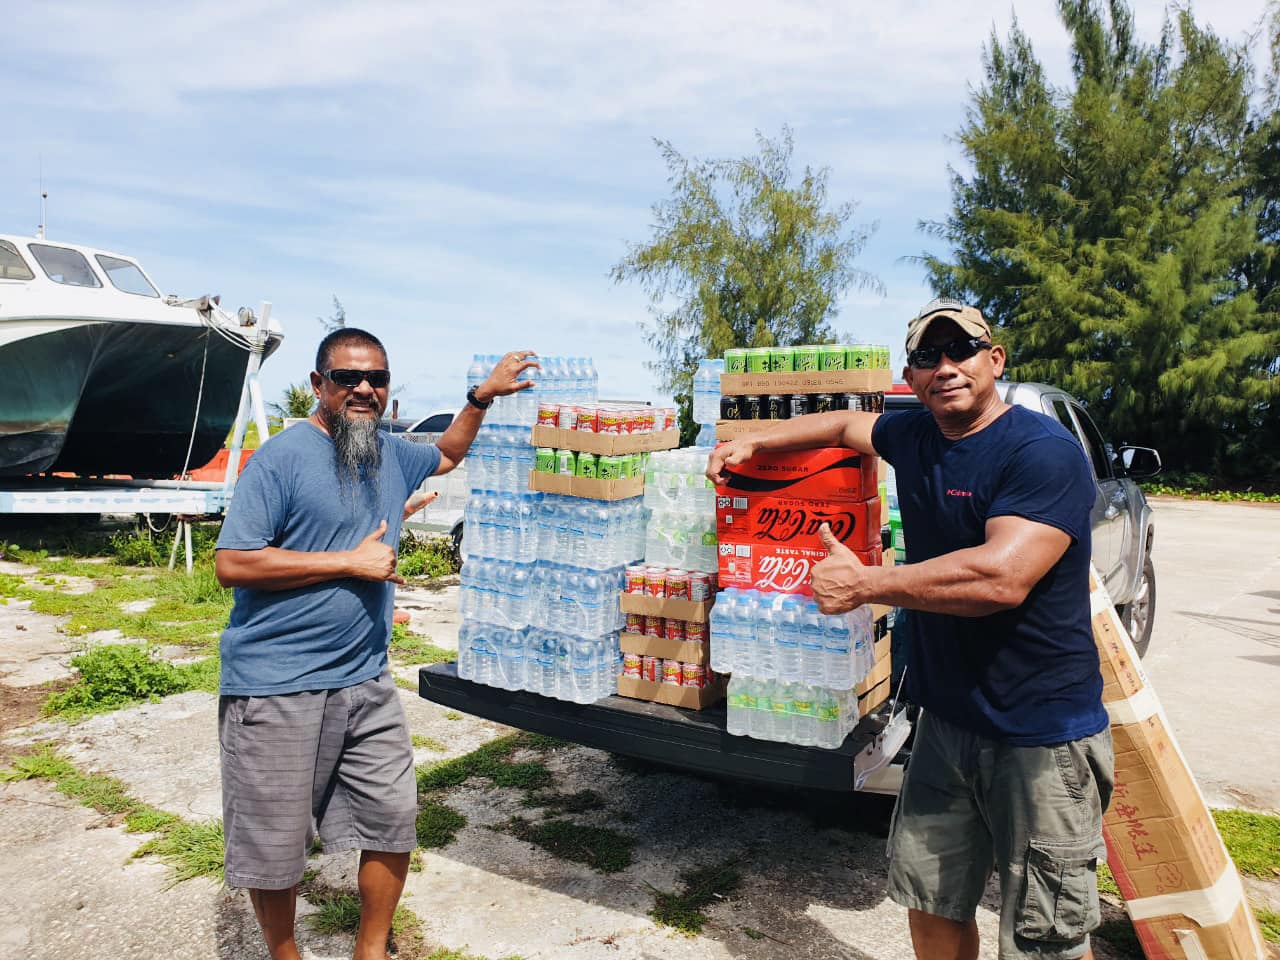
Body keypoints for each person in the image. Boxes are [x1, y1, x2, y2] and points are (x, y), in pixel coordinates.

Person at [707, 298, 1113, 960]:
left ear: (995, 359)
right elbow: (844, 424)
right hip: (947, 725)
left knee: (1045, 937)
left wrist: (866, 584)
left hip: (1040, 738)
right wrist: (752, 440)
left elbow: (999, 579)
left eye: (962, 350)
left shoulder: (1043, 454)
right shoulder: (917, 437)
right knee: (930, 904)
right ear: (912, 374)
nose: (946, 366)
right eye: (929, 355)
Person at [214, 330, 536, 960]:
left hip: (365, 679)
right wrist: (349, 562)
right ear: (319, 386)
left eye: (377, 380)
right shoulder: (281, 457)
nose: (364, 389)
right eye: (347, 378)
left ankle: (371, 951)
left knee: (392, 819)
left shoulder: (389, 453)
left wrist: (480, 398)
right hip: (277, 682)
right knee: (275, 846)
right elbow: (233, 563)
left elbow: (446, 453)